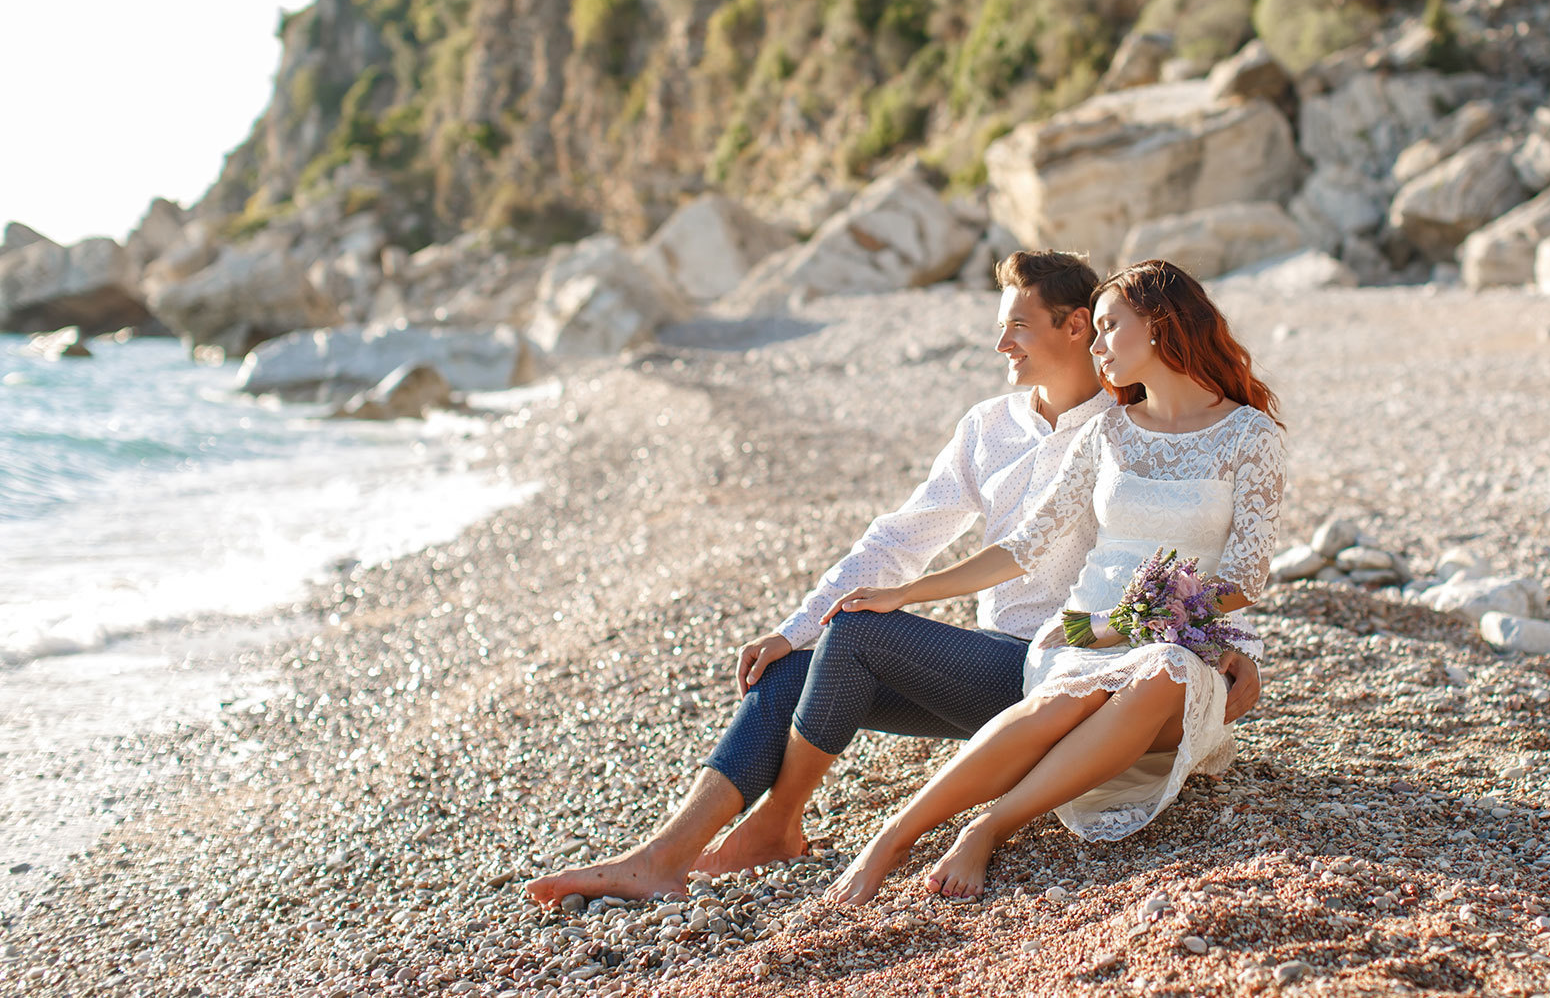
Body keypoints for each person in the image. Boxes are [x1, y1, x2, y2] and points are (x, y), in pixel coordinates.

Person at [524, 251, 1263, 906]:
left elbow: (1193, 544)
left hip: (1081, 667)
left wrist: (1225, 642)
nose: (1000, 342)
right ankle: (662, 856)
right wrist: (794, 626)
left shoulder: (1129, 418)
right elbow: (905, 534)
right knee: (792, 672)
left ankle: (776, 824)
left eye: (1019, 325)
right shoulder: (989, 427)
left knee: (858, 634)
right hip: (1012, 658)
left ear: (1076, 326)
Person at [825, 259, 1285, 905]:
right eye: (1092, 331)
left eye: (1108, 328)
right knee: (1063, 698)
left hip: (1185, 642)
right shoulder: (1106, 432)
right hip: (1078, 632)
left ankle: (990, 824)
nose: (1095, 347)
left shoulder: (1249, 435)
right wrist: (906, 592)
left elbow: (1243, 579)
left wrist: (1139, 621)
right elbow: (1023, 547)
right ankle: (895, 835)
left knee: (1163, 671)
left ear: (1158, 325)